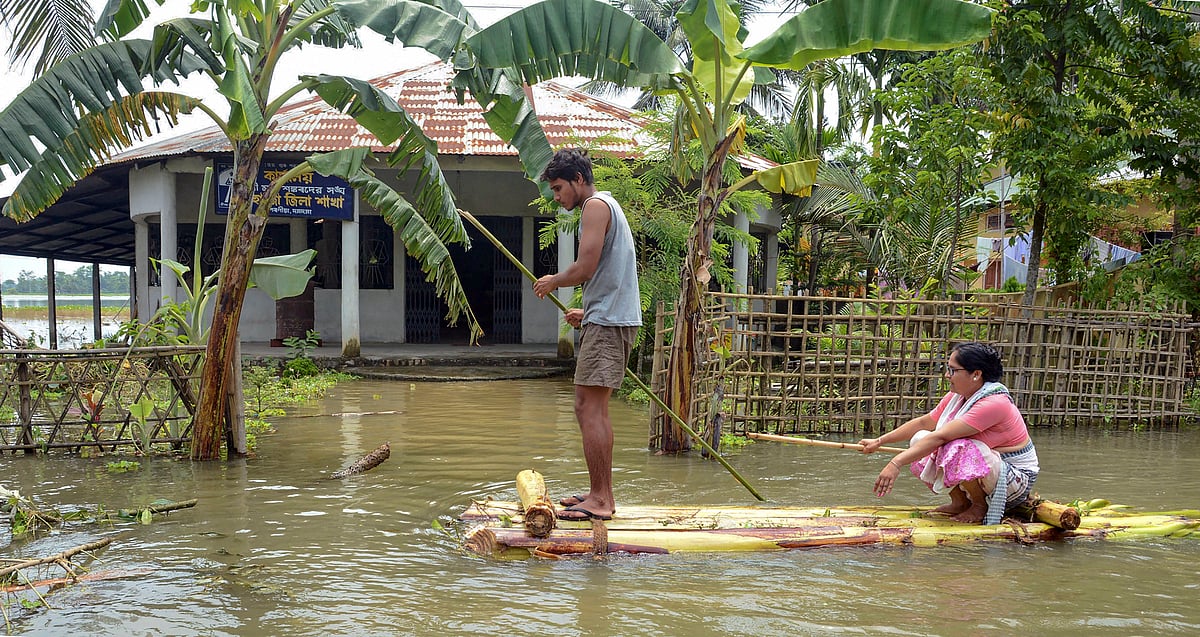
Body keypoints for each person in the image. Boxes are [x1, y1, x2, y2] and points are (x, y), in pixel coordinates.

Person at [533, 148, 641, 522]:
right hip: (608, 317)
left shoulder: (595, 206)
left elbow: (586, 267)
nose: (557, 197)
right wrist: (588, 311)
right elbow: (610, 273)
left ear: (579, 180)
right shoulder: (604, 206)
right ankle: (600, 493)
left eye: (560, 188)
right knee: (593, 407)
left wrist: (553, 281)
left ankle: (601, 500)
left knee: (587, 407)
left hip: (610, 322)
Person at [858, 342, 1039, 524]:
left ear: (976, 374)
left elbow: (941, 437)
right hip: (990, 469)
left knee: (955, 445)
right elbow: (925, 422)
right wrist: (879, 441)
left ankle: (979, 506)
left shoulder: (994, 403)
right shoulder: (958, 396)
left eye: (952, 370)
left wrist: (895, 464)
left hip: (1015, 479)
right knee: (920, 438)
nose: (947, 375)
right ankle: (960, 501)